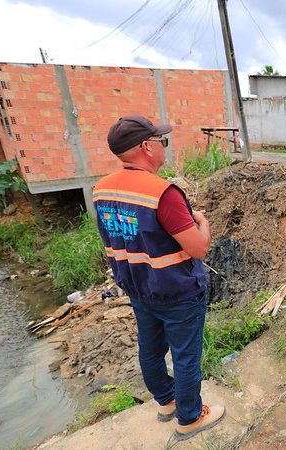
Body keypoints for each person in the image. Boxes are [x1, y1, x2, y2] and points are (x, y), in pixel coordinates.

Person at [93, 114, 224, 441]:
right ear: (146, 147)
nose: (164, 146)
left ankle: (166, 401)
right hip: (177, 292)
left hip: (138, 287)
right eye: (161, 140)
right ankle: (190, 418)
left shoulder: (101, 189)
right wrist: (202, 223)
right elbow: (198, 249)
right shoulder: (162, 193)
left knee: (150, 349)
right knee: (185, 356)